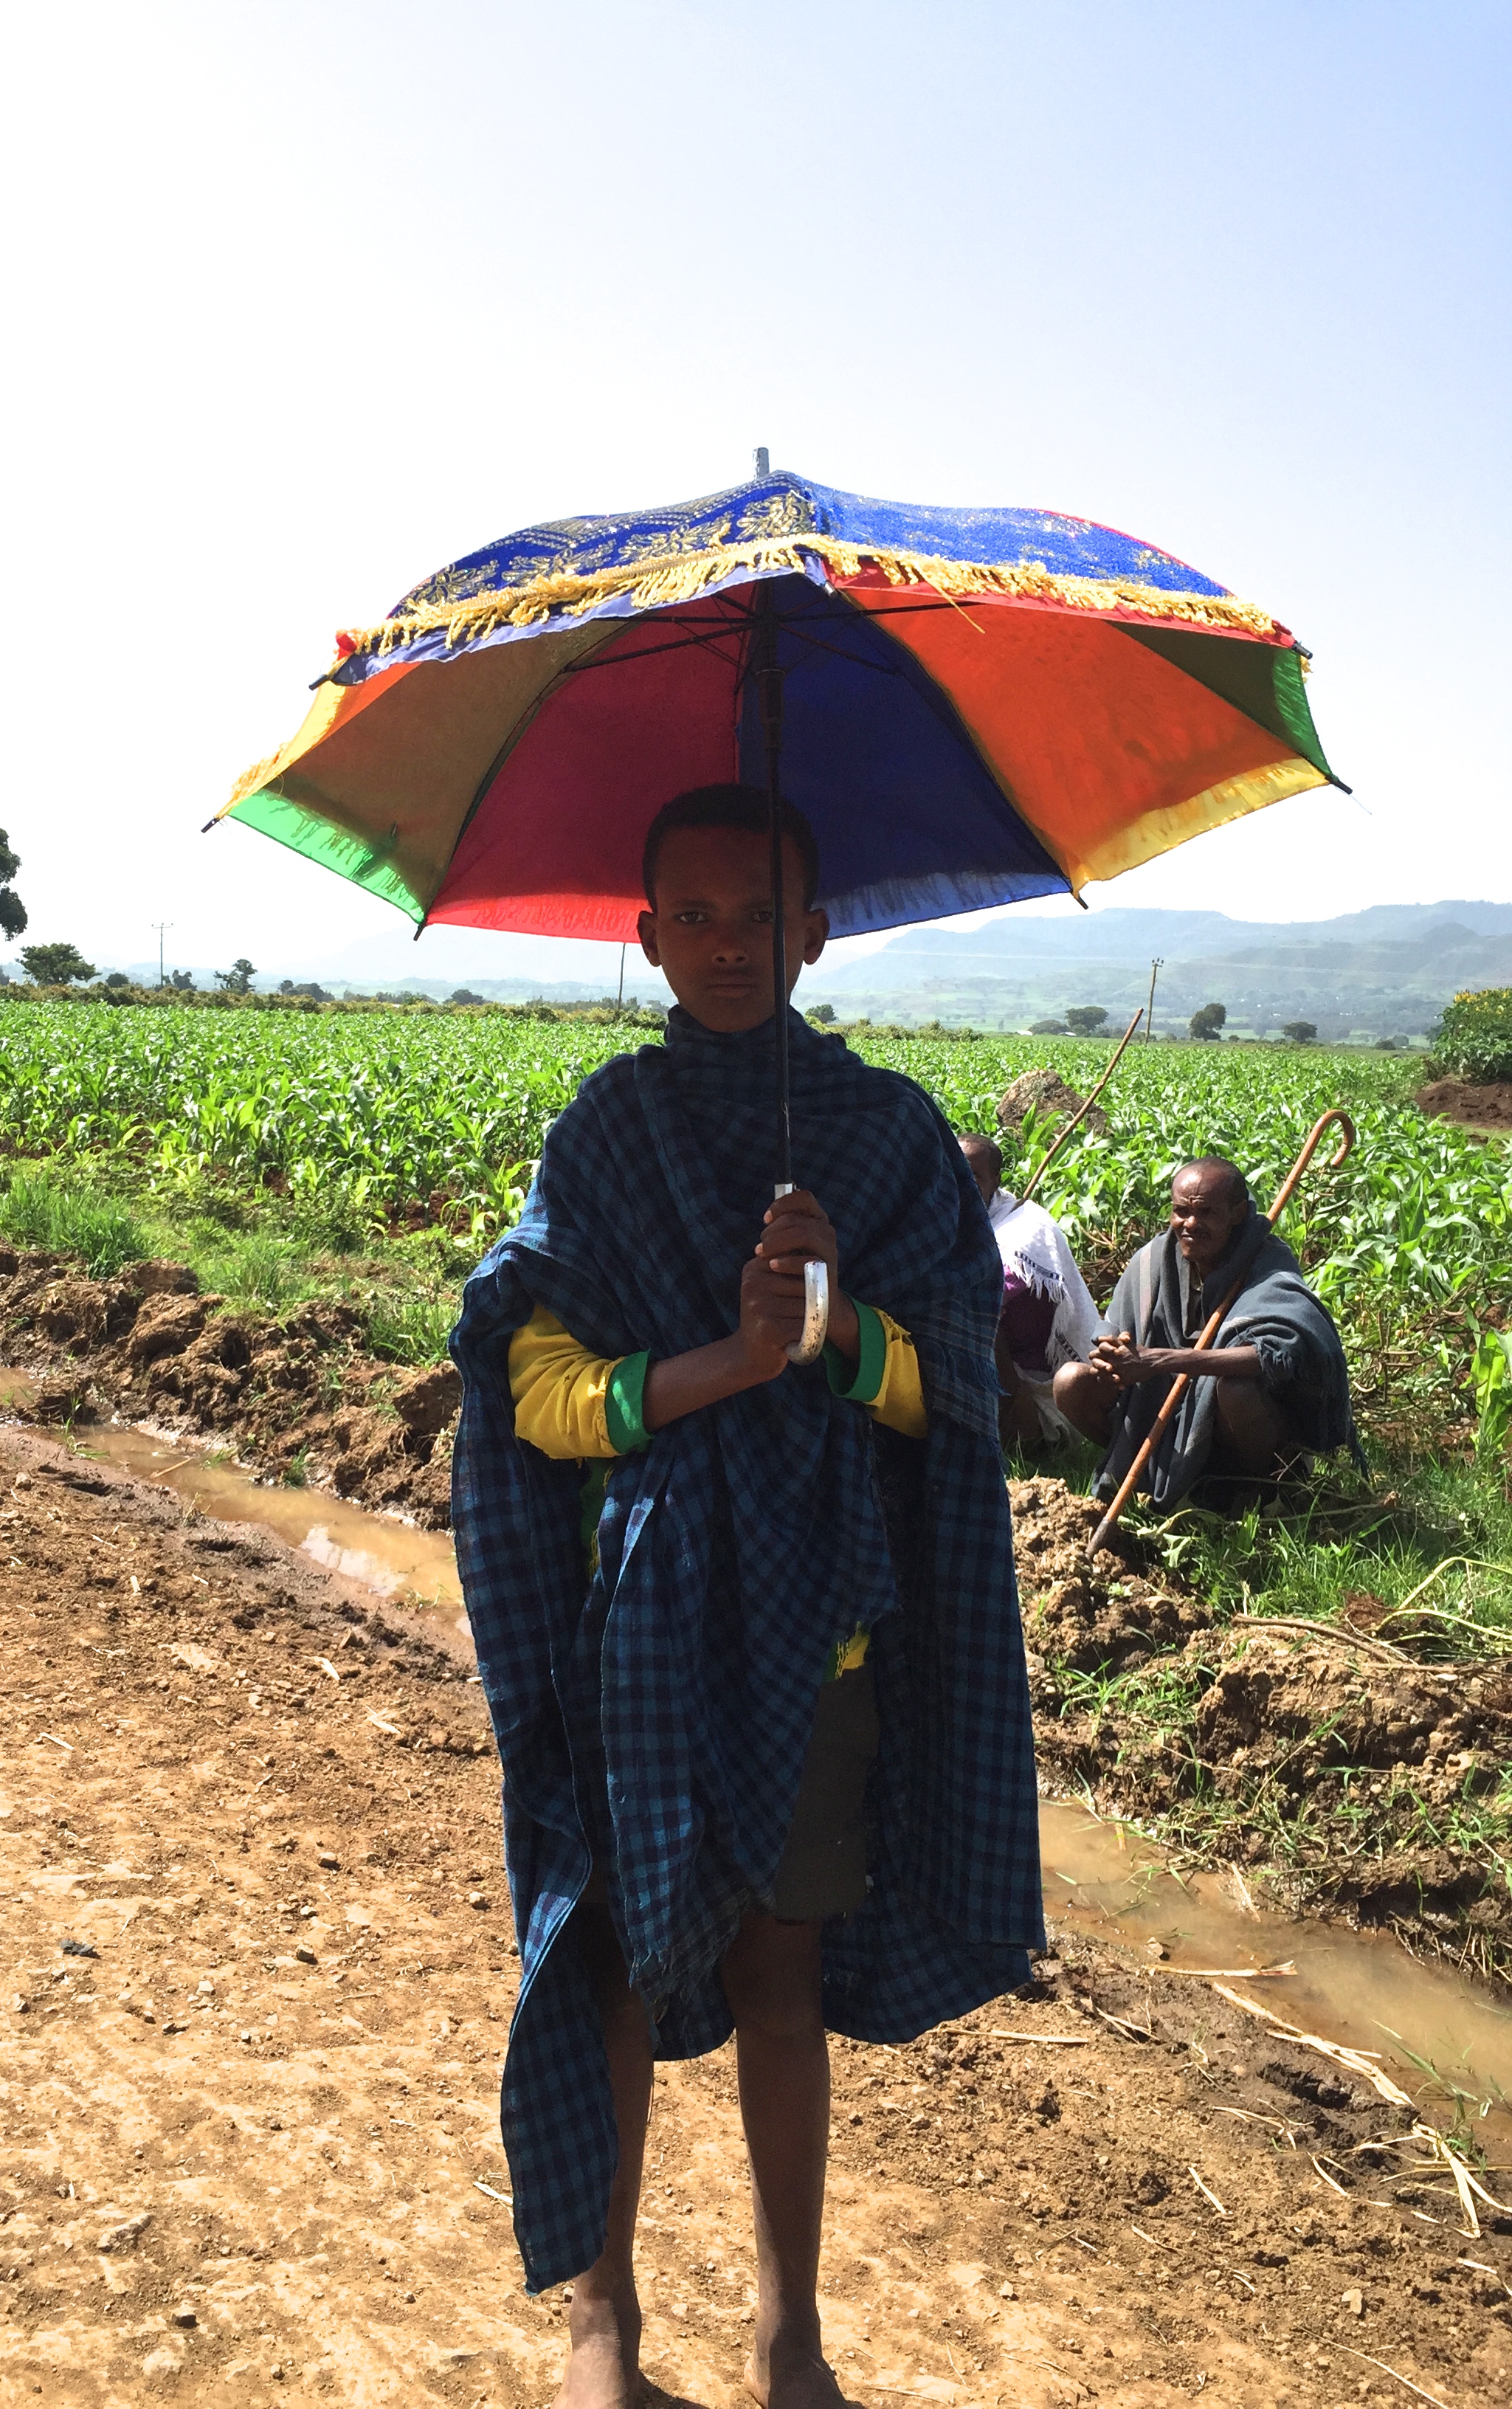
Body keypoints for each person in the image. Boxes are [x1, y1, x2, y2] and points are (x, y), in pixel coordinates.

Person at [449, 784, 1043, 2409]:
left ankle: (792, 2334)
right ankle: (603, 2329)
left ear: (815, 932)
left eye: (761, 914)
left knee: (782, 1977)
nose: (729, 944)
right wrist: (725, 1357)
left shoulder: (887, 1136)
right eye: (696, 917)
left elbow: (950, 1393)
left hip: (823, 1629)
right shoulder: (608, 1133)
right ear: (647, 939)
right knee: (618, 1972)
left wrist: (836, 1324)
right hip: (641, 1629)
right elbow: (537, 1393)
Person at [1052, 1155, 1357, 1509]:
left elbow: (1278, 1352)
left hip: (1234, 1428)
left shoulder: (1265, 1263)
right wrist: (1112, 1355)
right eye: (1181, 1212)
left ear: (1237, 1213)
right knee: (1070, 1381)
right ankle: (1148, 1471)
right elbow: (1114, 1328)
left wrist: (1160, 1361)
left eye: (1207, 1213)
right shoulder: (1154, 1260)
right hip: (1159, 1410)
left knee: (1236, 1391)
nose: (1190, 1224)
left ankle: (1259, 1493)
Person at [957, 1134, 1105, 1450]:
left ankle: (1024, 1433)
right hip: (996, 1367)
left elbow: (990, 1293)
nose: (960, 1182)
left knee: (981, 1316)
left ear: (995, 1181)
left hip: (1040, 1383)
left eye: (974, 1175)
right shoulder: (952, 1218)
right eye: (953, 1169)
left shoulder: (1025, 1224)